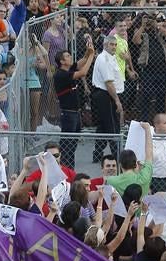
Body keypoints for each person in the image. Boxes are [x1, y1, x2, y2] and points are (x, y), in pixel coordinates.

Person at [53, 37, 95, 169]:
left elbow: (80, 63)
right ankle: (65, 169)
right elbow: (83, 72)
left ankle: (70, 169)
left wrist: (88, 52)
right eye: (68, 56)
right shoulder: (60, 74)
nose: (70, 58)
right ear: (62, 61)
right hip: (68, 114)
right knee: (67, 145)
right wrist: (92, 56)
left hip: (75, 113)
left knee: (73, 144)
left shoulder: (68, 70)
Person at [91, 35, 125, 162]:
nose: (114, 47)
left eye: (115, 44)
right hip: (106, 95)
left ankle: (97, 153)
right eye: (112, 44)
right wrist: (117, 100)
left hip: (109, 95)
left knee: (103, 126)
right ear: (105, 45)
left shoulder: (112, 57)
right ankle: (117, 155)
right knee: (112, 126)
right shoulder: (103, 58)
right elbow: (109, 83)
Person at [106, 122, 154, 196]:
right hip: (140, 207)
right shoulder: (144, 177)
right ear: (135, 164)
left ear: (120, 165)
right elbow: (149, 154)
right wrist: (147, 129)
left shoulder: (112, 181)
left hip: (122, 208)